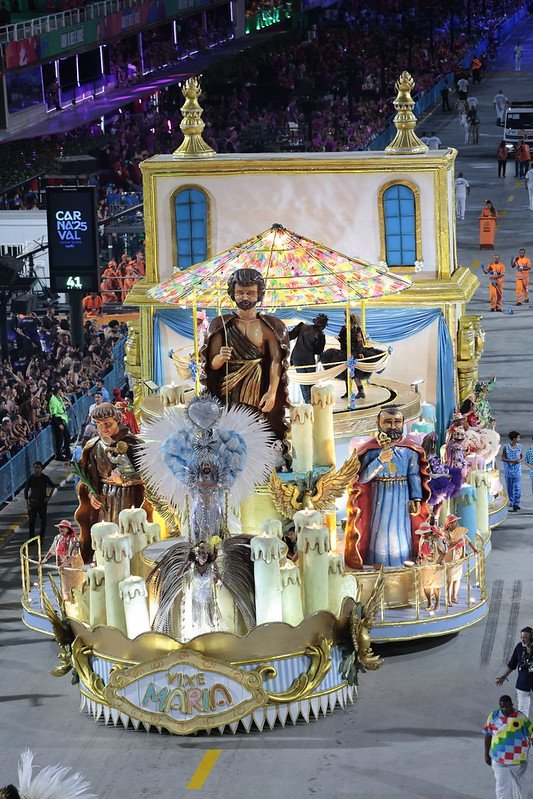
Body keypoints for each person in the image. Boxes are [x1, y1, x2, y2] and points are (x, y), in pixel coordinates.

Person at [202, 268, 291, 456]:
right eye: (240, 292)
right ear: (232, 294)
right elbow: (211, 365)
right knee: (230, 422)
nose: (245, 297)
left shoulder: (268, 327)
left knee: (255, 422)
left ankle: (255, 458)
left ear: (259, 294)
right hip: (228, 386)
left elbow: (276, 360)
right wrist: (220, 358)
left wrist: (272, 391)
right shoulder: (222, 326)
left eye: (250, 292)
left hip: (257, 386)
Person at [344, 405, 430, 569]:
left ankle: (402, 561)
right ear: (379, 423)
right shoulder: (370, 451)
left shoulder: (409, 450)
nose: (393, 426)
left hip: (403, 496)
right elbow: (361, 479)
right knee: (381, 530)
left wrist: (416, 498)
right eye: (388, 422)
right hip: (380, 495)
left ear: (403, 423)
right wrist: (380, 460)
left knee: (402, 530)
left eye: (397, 422)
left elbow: (414, 475)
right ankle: (379, 562)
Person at [483, 695, 532, 799]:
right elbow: (487, 735)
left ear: (512, 704)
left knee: (520, 786)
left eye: (507, 706)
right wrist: (486, 754)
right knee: (501, 786)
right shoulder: (493, 716)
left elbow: (531, 735)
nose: (504, 709)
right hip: (498, 759)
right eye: (502, 707)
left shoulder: (521, 718)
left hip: (517, 760)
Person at [289, 313, 328, 403]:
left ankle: (307, 400)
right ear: (323, 326)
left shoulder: (302, 326)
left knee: (303, 380)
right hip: (308, 359)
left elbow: (290, 336)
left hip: (296, 358)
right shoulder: (320, 335)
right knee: (310, 379)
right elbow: (318, 351)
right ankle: (311, 400)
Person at [496, 628, 533, 716]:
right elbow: (512, 664)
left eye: (525, 638)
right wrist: (503, 677)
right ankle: (522, 728)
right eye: (521, 637)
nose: (522, 640)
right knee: (522, 710)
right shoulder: (519, 647)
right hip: (523, 682)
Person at [442, 514, 477, 605]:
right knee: (450, 580)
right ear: (449, 524)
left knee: (457, 578)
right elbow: (447, 548)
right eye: (453, 522)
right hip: (450, 560)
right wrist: (456, 542)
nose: (456, 523)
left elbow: (468, 540)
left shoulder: (460, 532)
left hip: (459, 558)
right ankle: (448, 599)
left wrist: (474, 549)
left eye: (456, 521)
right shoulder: (445, 534)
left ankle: (454, 596)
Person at [23, 461, 56, 541]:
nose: (37, 470)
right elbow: (26, 490)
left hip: (42, 502)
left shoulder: (44, 477)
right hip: (33, 502)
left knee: (43, 520)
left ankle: (41, 537)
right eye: (35, 468)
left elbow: (52, 485)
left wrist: (49, 496)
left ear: (41, 469)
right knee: (32, 521)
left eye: (39, 468)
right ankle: (31, 538)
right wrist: (27, 502)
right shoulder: (31, 478)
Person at [337, 313, 366, 399]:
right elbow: (342, 340)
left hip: (354, 353)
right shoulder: (343, 329)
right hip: (345, 352)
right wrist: (339, 339)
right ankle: (348, 391)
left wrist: (360, 352)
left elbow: (360, 342)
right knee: (346, 373)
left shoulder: (357, 330)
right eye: (346, 323)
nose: (347, 325)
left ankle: (361, 391)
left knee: (354, 373)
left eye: (348, 323)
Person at [501, 431, 522, 511]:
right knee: (510, 488)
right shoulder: (506, 447)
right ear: (514, 439)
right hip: (508, 471)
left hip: (517, 471)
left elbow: (521, 456)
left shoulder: (519, 447)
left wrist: (520, 460)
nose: (519, 439)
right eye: (518, 437)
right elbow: (502, 458)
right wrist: (510, 461)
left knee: (517, 488)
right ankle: (512, 501)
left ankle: (516, 504)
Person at [48, 386, 71, 461]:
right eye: (61, 391)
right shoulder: (53, 400)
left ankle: (67, 452)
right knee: (60, 439)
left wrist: (67, 404)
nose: (62, 392)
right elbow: (53, 415)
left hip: (63, 419)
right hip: (58, 420)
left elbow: (62, 407)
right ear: (58, 392)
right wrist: (59, 424)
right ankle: (59, 455)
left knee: (67, 437)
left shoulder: (59, 398)